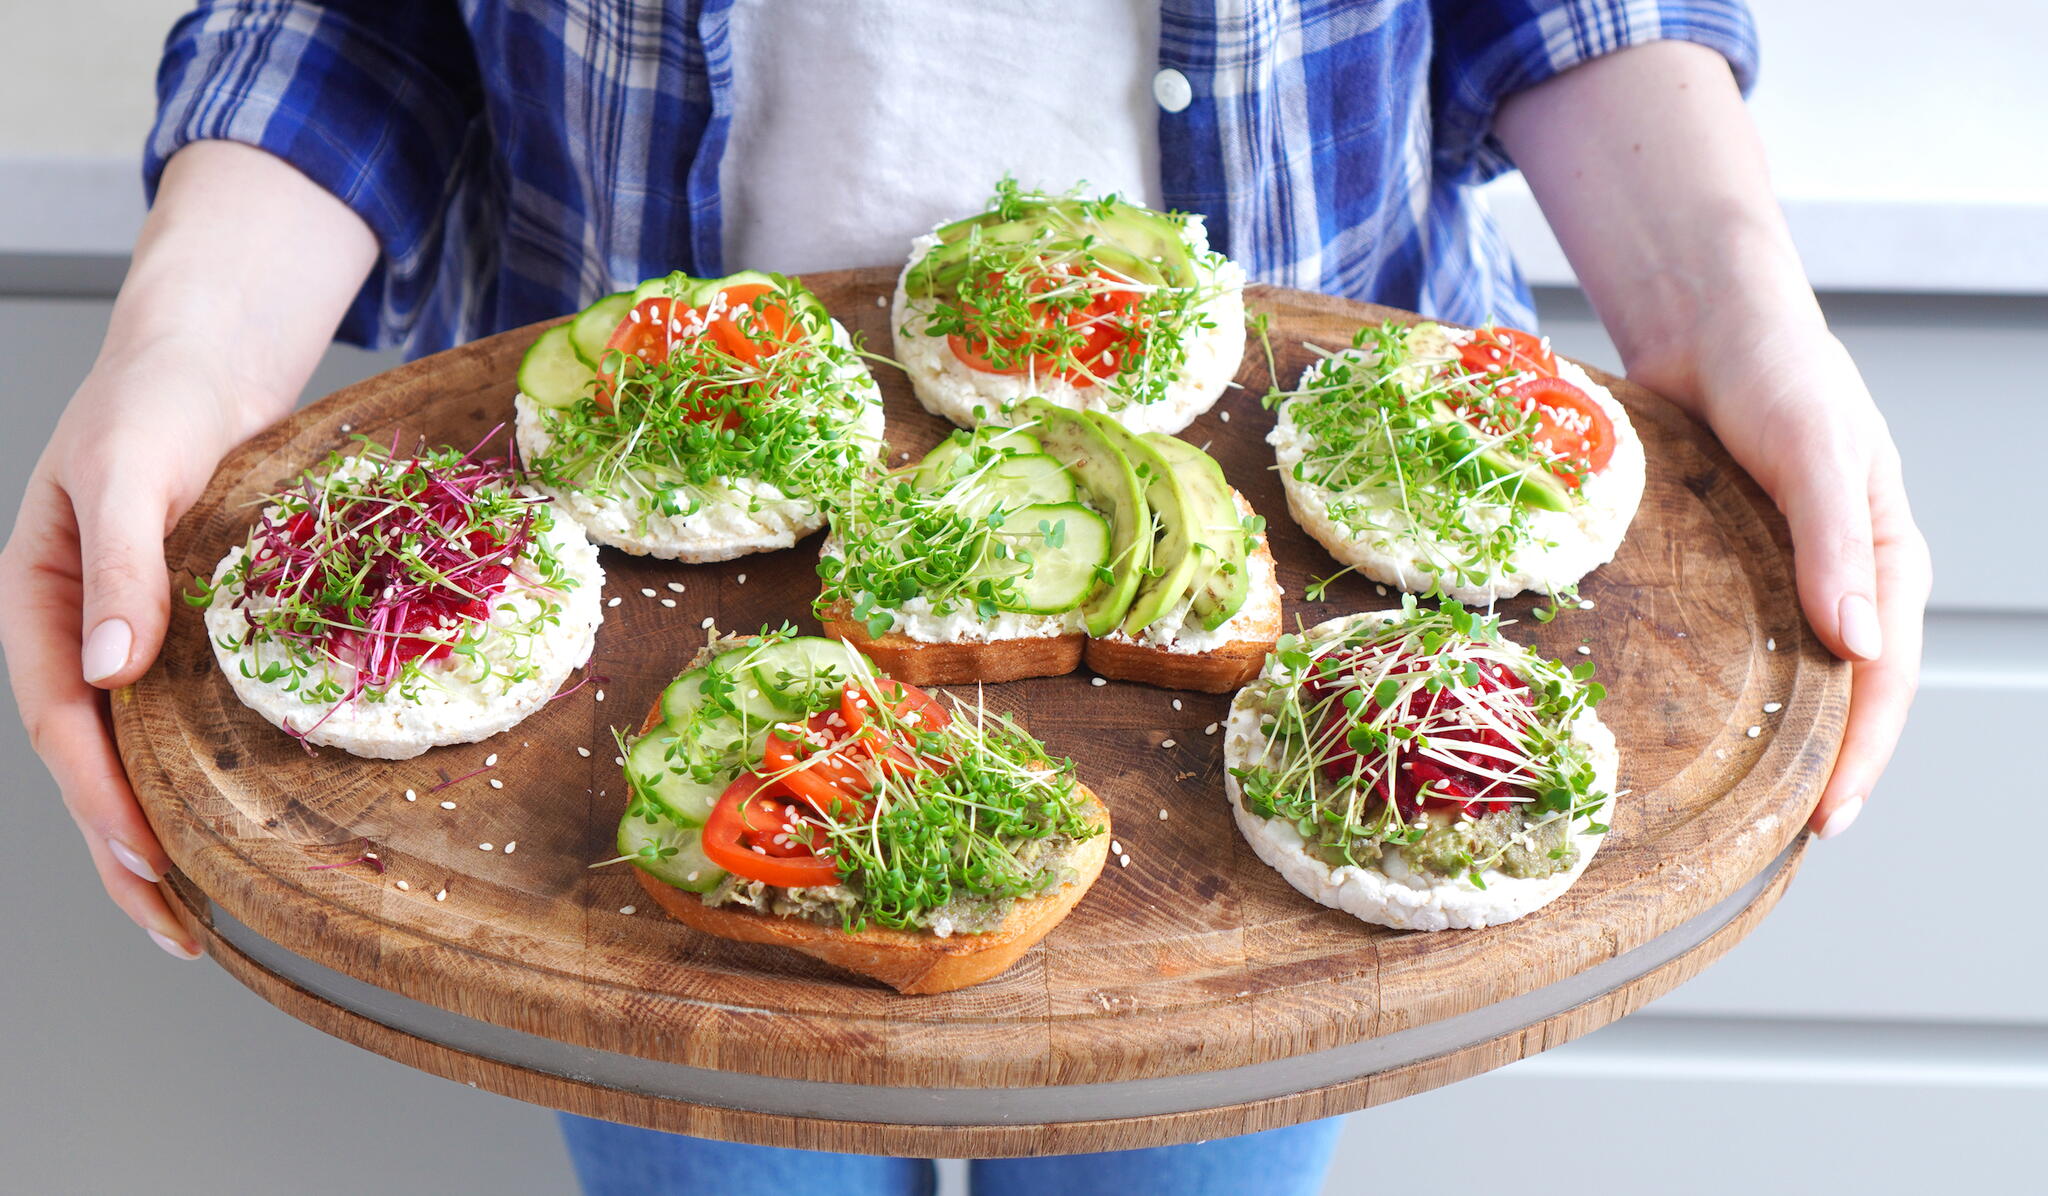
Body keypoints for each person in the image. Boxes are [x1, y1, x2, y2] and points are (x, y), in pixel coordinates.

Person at [0, 2, 1931, 1193]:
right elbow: (359, 21)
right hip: (660, 525)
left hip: (1298, 486)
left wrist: (1730, 300)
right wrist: (179, 339)